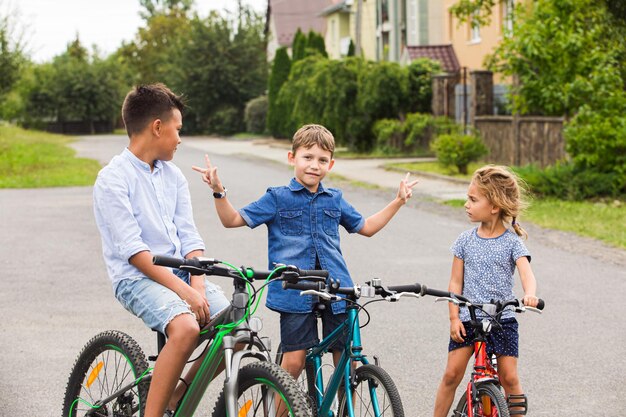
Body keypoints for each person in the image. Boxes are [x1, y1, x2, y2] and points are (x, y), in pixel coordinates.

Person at [192, 123, 418, 380]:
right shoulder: (277, 198)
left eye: (322, 160)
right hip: (295, 291)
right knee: (294, 363)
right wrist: (218, 191)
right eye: (307, 157)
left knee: (347, 364)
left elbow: (366, 227)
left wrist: (398, 201)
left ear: (330, 164)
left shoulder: (334, 198)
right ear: (292, 158)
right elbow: (231, 220)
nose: (314, 165)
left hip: (336, 289)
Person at [93, 83, 230, 417]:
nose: (180, 139)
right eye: (177, 129)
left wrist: (196, 284)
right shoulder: (113, 179)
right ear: (157, 127)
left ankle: (175, 395)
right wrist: (185, 290)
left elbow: (190, 237)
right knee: (185, 327)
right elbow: (134, 252)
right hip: (136, 277)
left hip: (183, 273)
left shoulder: (174, 176)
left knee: (236, 327)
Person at [432, 164, 539, 417]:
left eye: (472, 199)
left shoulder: (512, 241)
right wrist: (454, 317)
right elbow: (455, 284)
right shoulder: (464, 240)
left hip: (502, 321)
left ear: (494, 206)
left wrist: (530, 294)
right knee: (451, 375)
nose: (466, 204)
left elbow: (527, 274)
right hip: (468, 320)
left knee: (510, 377)